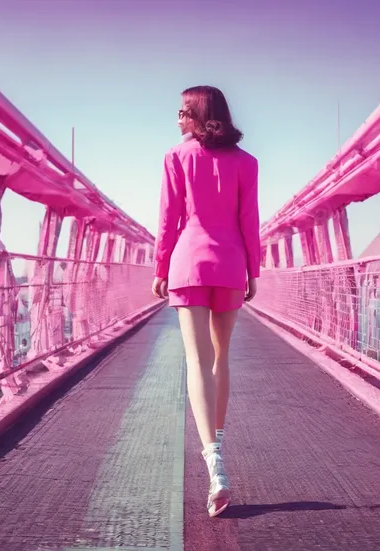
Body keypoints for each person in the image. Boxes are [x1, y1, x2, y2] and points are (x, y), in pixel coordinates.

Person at [151, 85, 260, 517]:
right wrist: (255, 268)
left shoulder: (176, 157)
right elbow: (249, 218)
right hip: (231, 264)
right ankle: (219, 441)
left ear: (197, 115)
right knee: (221, 358)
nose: (176, 119)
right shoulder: (247, 162)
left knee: (195, 362)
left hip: (189, 264)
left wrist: (160, 268)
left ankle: (214, 463)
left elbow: (168, 217)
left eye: (182, 112)